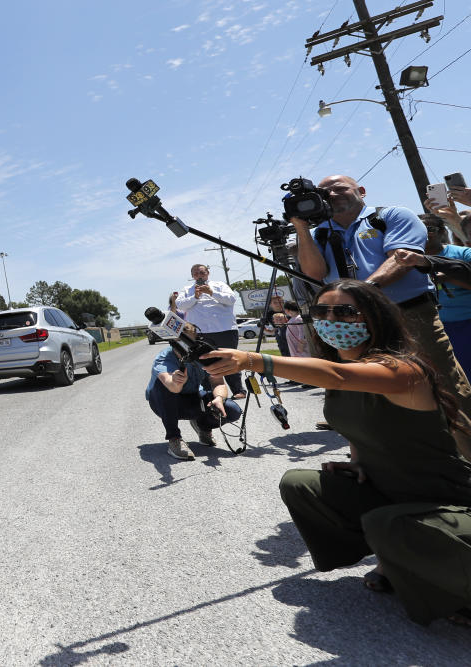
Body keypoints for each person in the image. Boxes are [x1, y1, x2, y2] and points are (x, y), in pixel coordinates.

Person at [201, 279, 471, 626]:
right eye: (322, 312)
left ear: (375, 318)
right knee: (300, 484)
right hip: (389, 490)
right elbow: (355, 425)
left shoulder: (403, 370)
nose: (332, 320)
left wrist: (254, 360)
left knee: (386, 523)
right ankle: (401, 557)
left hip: (447, 499)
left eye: (345, 311)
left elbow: (339, 376)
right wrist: (356, 464)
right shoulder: (341, 378)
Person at [290, 174, 471, 422]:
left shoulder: (391, 216)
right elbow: (314, 273)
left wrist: (363, 292)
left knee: (448, 388)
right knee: (376, 394)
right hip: (354, 325)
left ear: (361, 191)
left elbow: (401, 259)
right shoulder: (320, 233)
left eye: (340, 188)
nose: (331, 195)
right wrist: (302, 228)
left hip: (409, 315)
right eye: (324, 193)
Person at [145, 325, 242, 461]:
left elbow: (218, 382)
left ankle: (203, 427)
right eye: (181, 342)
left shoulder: (203, 354)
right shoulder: (164, 358)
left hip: (193, 398)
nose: (185, 347)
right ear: (173, 341)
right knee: (163, 387)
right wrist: (177, 381)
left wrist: (219, 398)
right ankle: (174, 438)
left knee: (232, 410)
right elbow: (172, 388)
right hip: (164, 403)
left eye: (190, 342)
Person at [395, 215, 471, 379]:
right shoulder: (400, 262)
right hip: (436, 328)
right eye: (418, 229)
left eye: (429, 229)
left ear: (442, 231)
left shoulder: (464, 254)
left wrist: (449, 277)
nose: (424, 234)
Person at [175, 264, 246, 398]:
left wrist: (211, 292)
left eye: (201, 272)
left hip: (224, 329)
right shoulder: (187, 289)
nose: (199, 275)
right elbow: (180, 305)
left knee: (230, 358)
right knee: (203, 361)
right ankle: (210, 392)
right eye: (195, 273)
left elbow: (231, 299)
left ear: (207, 273)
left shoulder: (219, 285)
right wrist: (195, 297)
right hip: (200, 333)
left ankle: (238, 390)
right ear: (192, 276)